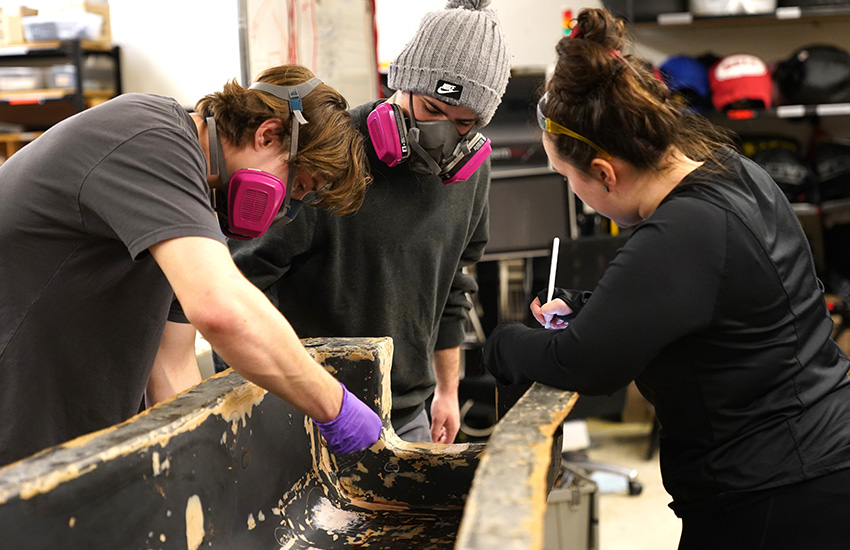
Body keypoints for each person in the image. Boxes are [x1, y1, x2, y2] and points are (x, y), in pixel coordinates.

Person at [482, 8, 850, 550]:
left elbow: (584, 362)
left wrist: (503, 343)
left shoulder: (684, 230)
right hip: (813, 458)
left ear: (605, 172)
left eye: (570, 180)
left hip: (775, 493)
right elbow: (695, 307)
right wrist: (587, 307)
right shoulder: (732, 169)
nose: (576, 193)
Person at [0, 64, 382, 468]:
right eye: (299, 185)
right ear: (267, 134)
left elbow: (172, 365)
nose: (286, 208)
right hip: (15, 428)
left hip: (64, 441)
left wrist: (204, 470)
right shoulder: (150, 138)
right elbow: (221, 311)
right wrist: (335, 406)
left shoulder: (191, 201)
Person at [216, 0, 511, 443]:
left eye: (464, 123)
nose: (442, 132)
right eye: (431, 108)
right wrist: (255, 414)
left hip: (411, 411)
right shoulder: (326, 158)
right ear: (403, 84)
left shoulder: (471, 176)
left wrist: (447, 390)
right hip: (309, 412)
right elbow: (239, 287)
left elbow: (452, 284)